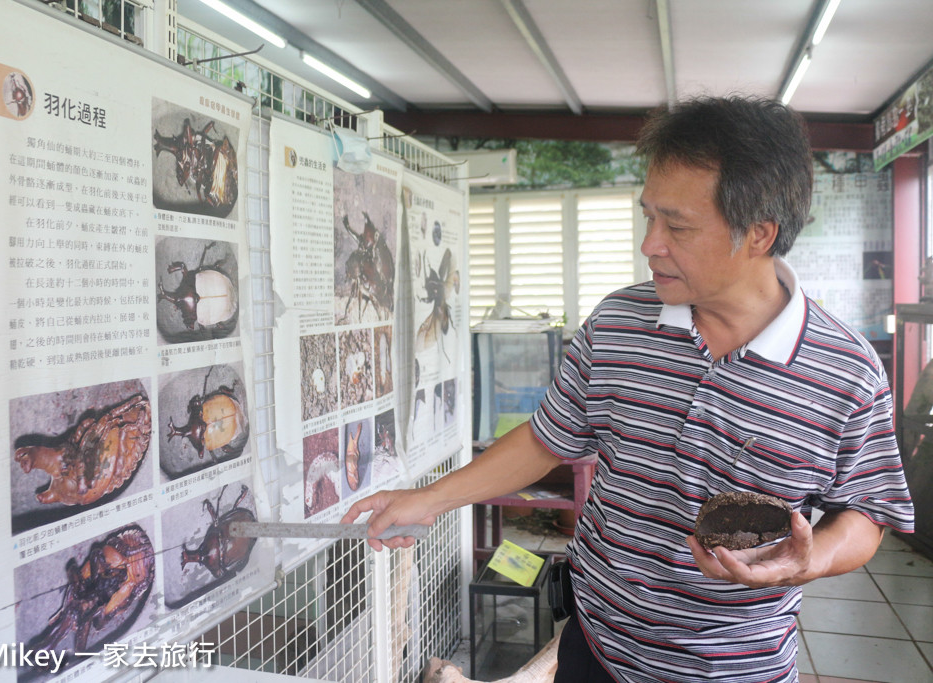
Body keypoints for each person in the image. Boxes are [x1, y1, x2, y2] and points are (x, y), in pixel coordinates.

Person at [342, 96, 914, 682]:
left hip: (733, 668)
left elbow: (866, 516)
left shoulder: (846, 372)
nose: (650, 244)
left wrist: (810, 557)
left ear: (760, 234)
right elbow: (547, 439)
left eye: (678, 227)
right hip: (596, 647)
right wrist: (427, 499)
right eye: (650, 217)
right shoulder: (620, 322)